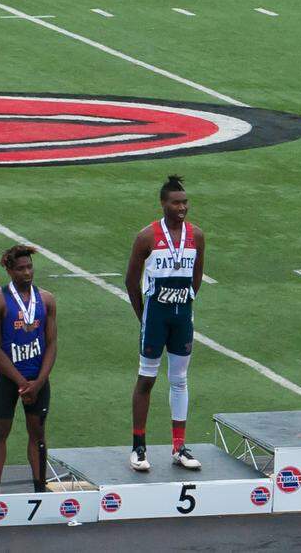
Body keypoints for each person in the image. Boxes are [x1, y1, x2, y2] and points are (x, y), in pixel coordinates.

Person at [125, 175, 205, 471]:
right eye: (176, 202)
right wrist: (143, 316)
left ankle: (179, 446)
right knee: (146, 379)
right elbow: (131, 281)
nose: (182, 207)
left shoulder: (196, 235)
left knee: (180, 380)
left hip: (182, 315)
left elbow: (197, 276)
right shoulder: (147, 236)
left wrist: (184, 300)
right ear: (163, 204)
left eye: (185, 202)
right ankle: (138, 448)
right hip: (155, 316)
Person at [0, 246, 57, 494]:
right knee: (0, 431)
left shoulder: (46, 299)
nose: (27, 273)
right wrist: (20, 382)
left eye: (29, 267)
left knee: (38, 432)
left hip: (38, 378)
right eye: (20, 268)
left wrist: (38, 382)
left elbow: (52, 344)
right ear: (9, 270)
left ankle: (40, 488)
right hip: (8, 379)